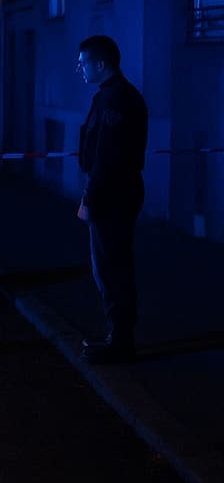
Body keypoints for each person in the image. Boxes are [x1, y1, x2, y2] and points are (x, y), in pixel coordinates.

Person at [75, 35, 148, 364]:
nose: (80, 67)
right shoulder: (109, 96)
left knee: (111, 267)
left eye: (84, 62)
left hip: (112, 196)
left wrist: (90, 198)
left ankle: (120, 341)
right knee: (109, 265)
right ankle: (117, 335)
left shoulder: (117, 100)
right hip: (114, 192)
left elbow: (109, 157)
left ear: (100, 63)